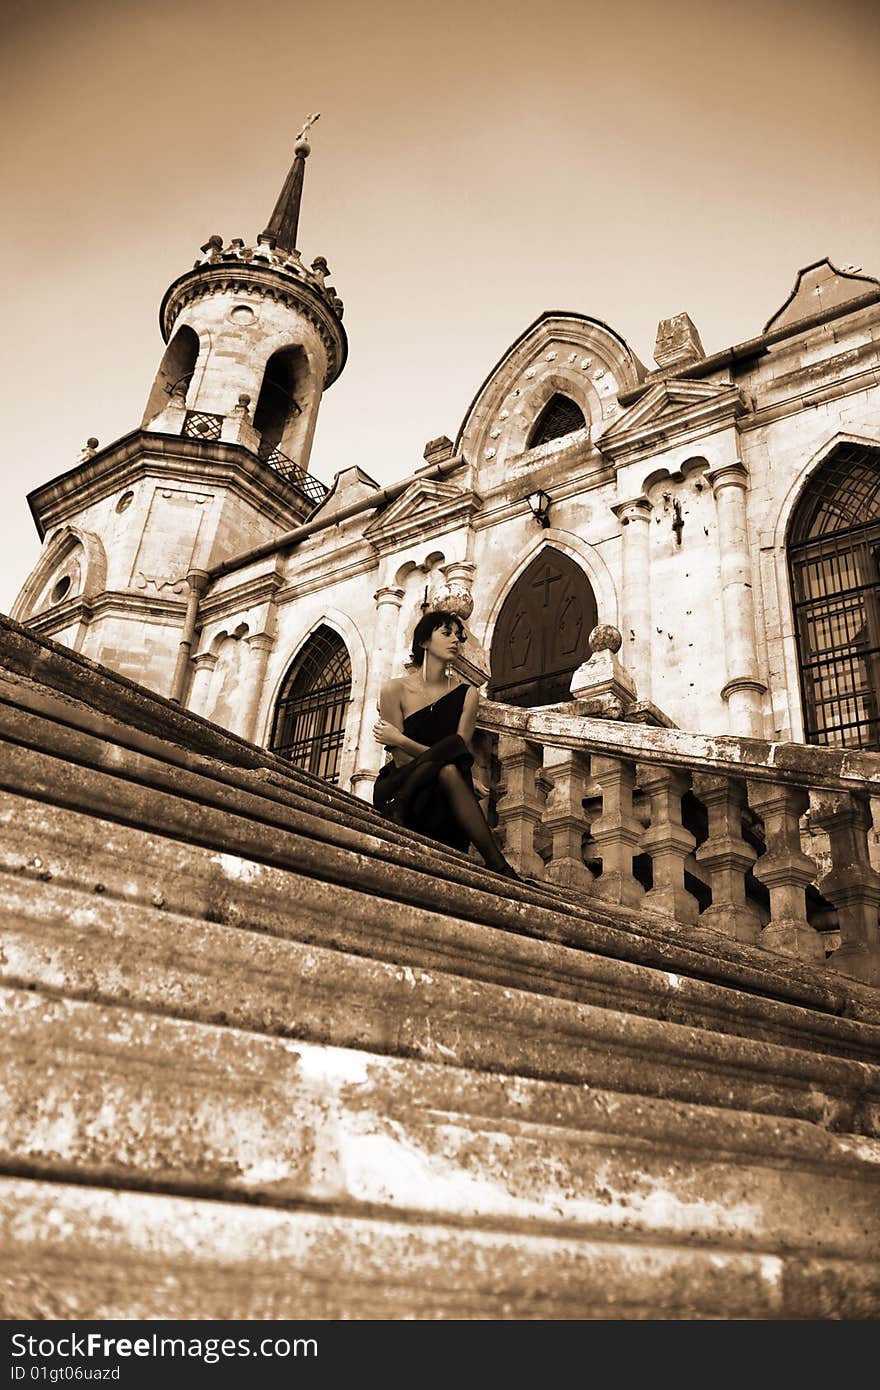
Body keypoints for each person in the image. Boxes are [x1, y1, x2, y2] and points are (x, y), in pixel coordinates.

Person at [372, 609, 520, 879]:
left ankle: (497, 864)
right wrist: (453, 768)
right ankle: (499, 865)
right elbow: (403, 761)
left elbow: (459, 750)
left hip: (440, 799)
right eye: (447, 633)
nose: (456, 641)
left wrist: (400, 739)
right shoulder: (394, 690)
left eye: (459, 636)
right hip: (402, 784)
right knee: (450, 765)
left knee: (450, 766)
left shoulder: (467, 694)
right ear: (424, 642)